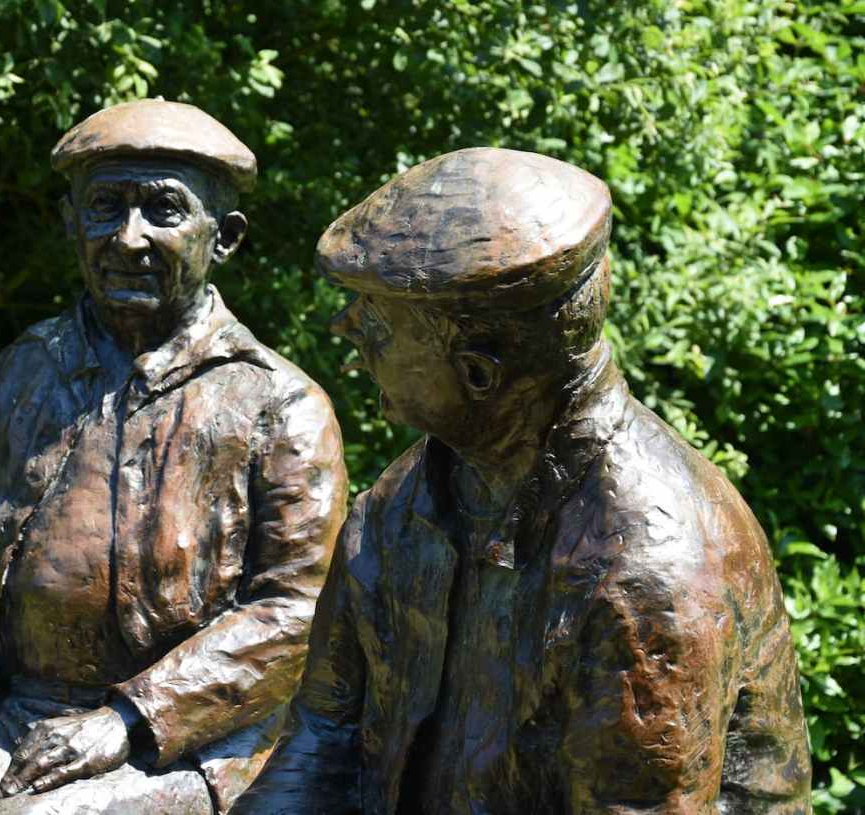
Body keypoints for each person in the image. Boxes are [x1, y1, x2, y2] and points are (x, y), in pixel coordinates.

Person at [234, 147, 811, 814]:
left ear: (477, 373)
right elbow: (324, 736)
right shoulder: (408, 496)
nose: (347, 332)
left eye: (378, 323)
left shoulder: (645, 574)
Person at [0, 99, 347, 815]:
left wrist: (128, 719)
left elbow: (295, 611)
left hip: (185, 743)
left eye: (163, 210)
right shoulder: (19, 373)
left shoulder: (278, 404)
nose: (128, 238)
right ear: (71, 222)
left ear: (224, 237)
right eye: (104, 208)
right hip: (11, 721)